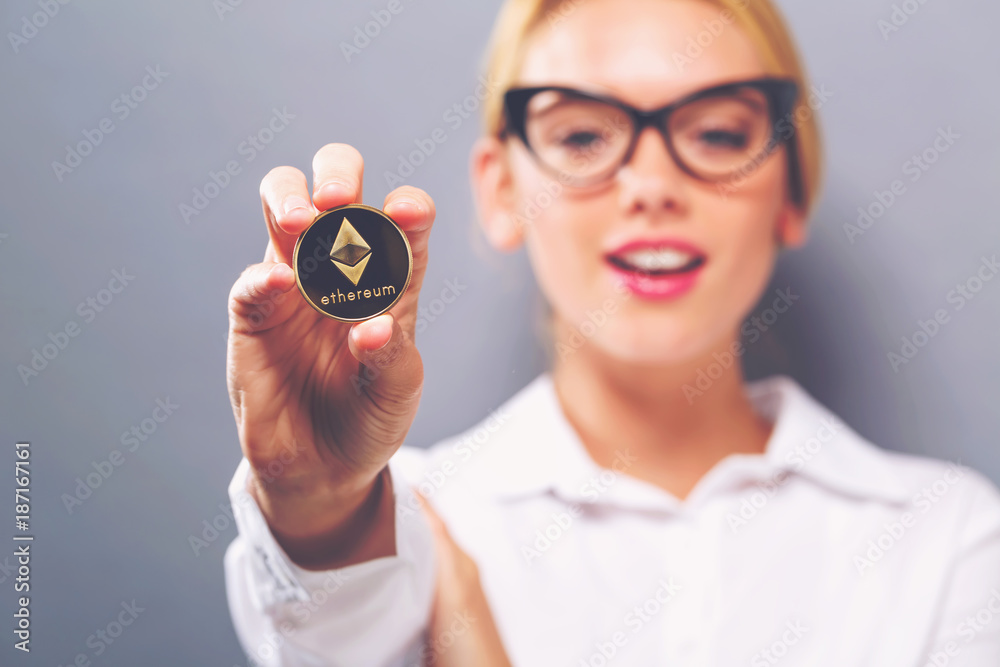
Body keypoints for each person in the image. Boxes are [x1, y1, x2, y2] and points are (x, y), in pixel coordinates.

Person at [222, 0, 1000, 665]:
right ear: (499, 191)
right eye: (583, 137)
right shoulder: (398, 526)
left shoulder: (950, 540)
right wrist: (317, 502)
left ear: (791, 188)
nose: (653, 187)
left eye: (720, 134)